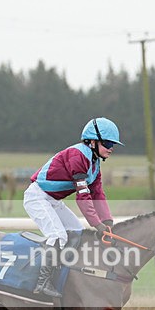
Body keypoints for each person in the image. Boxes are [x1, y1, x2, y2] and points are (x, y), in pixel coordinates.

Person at [23, 117, 123, 297]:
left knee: (77, 231)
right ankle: (42, 283)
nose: (111, 148)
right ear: (92, 142)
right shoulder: (78, 157)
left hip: (53, 201)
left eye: (113, 144)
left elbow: (98, 193)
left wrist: (107, 222)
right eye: (108, 143)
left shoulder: (95, 162)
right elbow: (83, 197)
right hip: (37, 197)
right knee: (58, 235)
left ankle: (66, 276)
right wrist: (97, 225)